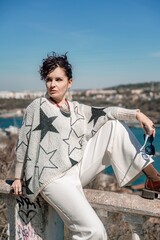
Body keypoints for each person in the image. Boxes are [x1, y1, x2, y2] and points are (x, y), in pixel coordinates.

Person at [11, 52, 160, 240]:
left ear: (69, 82)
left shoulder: (76, 109)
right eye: (48, 79)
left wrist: (138, 115)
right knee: (94, 232)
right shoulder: (37, 106)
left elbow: (108, 111)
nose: (52, 84)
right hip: (52, 179)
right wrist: (17, 177)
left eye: (58, 79)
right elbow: (22, 142)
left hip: (75, 170)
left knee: (112, 124)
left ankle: (154, 179)